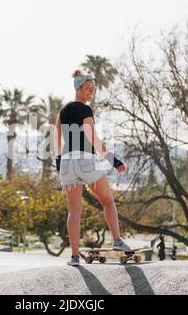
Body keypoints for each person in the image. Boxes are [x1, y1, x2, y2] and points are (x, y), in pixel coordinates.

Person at [54, 70, 131, 267]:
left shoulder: (62, 111)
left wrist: (58, 163)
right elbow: (93, 139)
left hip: (67, 163)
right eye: (88, 88)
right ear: (78, 89)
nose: (91, 92)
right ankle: (117, 241)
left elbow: (57, 137)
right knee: (107, 201)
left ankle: (73, 256)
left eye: (93, 89)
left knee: (74, 211)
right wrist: (114, 160)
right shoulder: (85, 110)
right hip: (86, 161)